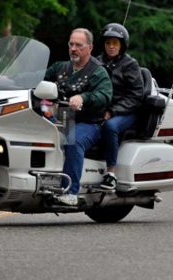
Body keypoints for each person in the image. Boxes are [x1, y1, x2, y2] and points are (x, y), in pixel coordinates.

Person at [45, 28, 112, 205]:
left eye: (79, 45)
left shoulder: (98, 72)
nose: (73, 48)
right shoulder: (61, 68)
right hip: (62, 118)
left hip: (89, 123)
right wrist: (12, 79)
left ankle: (70, 192)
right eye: (71, 44)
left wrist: (84, 97)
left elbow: (105, 96)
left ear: (89, 48)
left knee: (73, 141)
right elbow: (39, 78)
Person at [97, 23, 144, 190]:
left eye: (115, 43)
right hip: (102, 109)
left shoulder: (130, 64)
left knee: (110, 127)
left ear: (122, 45)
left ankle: (111, 174)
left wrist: (112, 111)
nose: (111, 46)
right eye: (108, 43)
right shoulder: (97, 61)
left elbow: (136, 95)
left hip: (127, 111)